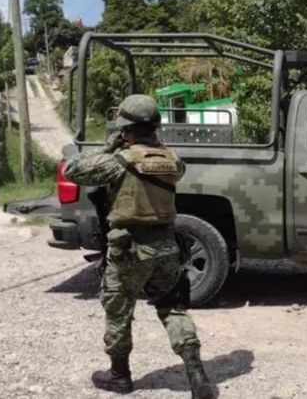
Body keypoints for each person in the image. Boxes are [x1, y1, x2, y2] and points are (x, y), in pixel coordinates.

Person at [63, 94, 214, 398]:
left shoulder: (118, 161)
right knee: (172, 308)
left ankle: (119, 375)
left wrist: (108, 147)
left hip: (130, 248)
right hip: (168, 246)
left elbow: (72, 170)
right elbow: (175, 166)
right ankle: (197, 374)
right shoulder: (173, 160)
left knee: (119, 309)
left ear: (125, 129)